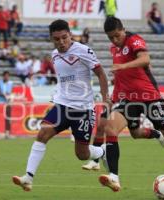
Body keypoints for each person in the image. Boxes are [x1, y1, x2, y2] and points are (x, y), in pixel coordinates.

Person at [98, 17, 164, 192]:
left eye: (117, 35)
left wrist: (123, 66)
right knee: (111, 128)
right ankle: (114, 176)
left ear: (123, 30)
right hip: (129, 99)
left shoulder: (134, 39)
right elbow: (120, 80)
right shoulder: (114, 49)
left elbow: (145, 59)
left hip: (150, 97)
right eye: (110, 37)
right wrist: (112, 99)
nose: (114, 40)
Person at [12, 19, 110, 191]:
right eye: (57, 39)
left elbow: (101, 74)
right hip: (63, 105)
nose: (61, 42)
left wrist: (105, 96)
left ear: (70, 35)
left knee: (82, 154)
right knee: (43, 134)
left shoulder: (83, 50)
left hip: (82, 109)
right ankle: (28, 178)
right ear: (52, 39)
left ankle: (103, 152)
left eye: (64, 37)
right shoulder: (54, 55)